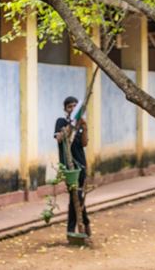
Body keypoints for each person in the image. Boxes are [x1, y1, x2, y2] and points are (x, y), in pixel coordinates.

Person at [54, 96, 90, 237]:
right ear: (65, 109)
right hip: (69, 168)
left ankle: (78, 228)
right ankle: (81, 226)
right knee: (74, 196)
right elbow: (59, 138)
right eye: (70, 107)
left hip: (81, 165)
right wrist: (72, 124)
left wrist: (84, 127)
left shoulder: (81, 123)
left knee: (78, 197)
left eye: (75, 106)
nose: (73, 108)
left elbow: (85, 143)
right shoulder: (61, 122)